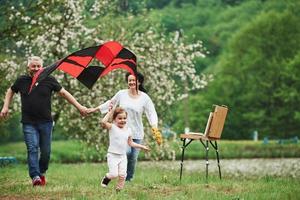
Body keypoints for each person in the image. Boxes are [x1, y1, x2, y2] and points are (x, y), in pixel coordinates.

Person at [0, 56, 88, 186]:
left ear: (42, 67)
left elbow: (64, 93)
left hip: (46, 122)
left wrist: (79, 107)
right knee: (32, 148)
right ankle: (35, 176)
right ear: (28, 67)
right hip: (28, 122)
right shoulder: (22, 80)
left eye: (38, 66)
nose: (36, 69)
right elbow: (10, 91)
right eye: (33, 66)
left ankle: (41, 172)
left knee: (46, 152)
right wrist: (5, 106)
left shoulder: (49, 80)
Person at [88, 72, 162, 181]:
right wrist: (94, 109)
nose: (132, 82)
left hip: (137, 132)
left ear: (139, 82)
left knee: (132, 158)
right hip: (121, 132)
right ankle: (116, 173)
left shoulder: (145, 98)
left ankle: (128, 180)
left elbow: (152, 113)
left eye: (134, 80)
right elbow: (110, 104)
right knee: (125, 153)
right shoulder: (121, 94)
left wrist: (154, 128)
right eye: (130, 80)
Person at [100, 106, 149, 191]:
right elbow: (103, 122)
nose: (122, 120)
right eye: (120, 118)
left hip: (122, 156)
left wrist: (141, 146)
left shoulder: (128, 130)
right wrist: (110, 112)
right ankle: (106, 178)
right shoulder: (112, 127)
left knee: (123, 175)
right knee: (114, 174)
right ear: (114, 119)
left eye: (124, 118)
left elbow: (130, 143)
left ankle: (119, 189)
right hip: (113, 155)